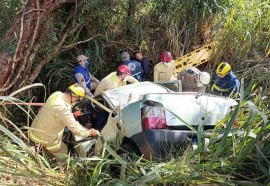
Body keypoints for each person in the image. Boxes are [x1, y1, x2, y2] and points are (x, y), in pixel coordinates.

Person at [29, 84, 100, 162]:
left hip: (35, 128)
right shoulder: (63, 108)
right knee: (63, 151)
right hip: (45, 136)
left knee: (49, 149)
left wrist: (71, 114)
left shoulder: (57, 94)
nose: (77, 102)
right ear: (74, 96)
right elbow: (77, 130)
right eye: (78, 99)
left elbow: (56, 112)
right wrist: (90, 132)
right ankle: (61, 170)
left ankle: (47, 158)